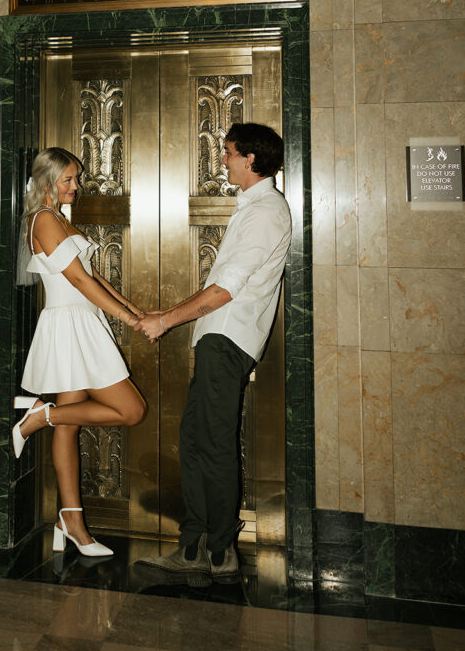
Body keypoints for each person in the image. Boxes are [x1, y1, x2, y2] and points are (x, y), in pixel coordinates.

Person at [133, 123, 292, 586]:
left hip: (228, 340)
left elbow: (224, 290)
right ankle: (196, 545)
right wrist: (171, 312)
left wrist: (165, 321)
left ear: (251, 159)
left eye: (228, 153)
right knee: (199, 441)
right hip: (220, 339)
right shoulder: (255, 209)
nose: (223, 160)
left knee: (214, 446)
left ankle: (219, 552)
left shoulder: (265, 212)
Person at [13, 147, 146, 558]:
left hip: (80, 323)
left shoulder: (57, 219)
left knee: (69, 427)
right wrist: (127, 318)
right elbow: (79, 282)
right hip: (70, 324)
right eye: (68, 179)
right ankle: (41, 415)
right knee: (131, 410)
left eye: (76, 178)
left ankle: (71, 521)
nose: (77, 186)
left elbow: (94, 277)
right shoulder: (43, 220)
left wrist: (134, 309)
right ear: (48, 181)